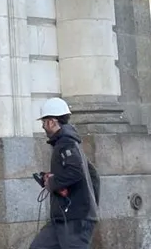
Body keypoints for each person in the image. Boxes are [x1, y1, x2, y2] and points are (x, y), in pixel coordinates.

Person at [30, 97, 100, 249]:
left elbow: (76, 172)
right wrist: (50, 178)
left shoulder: (66, 142)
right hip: (63, 218)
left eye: (43, 122)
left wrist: (53, 183)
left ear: (52, 122)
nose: (43, 126)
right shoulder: (66, 142)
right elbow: (91, 174)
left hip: (75, 219)